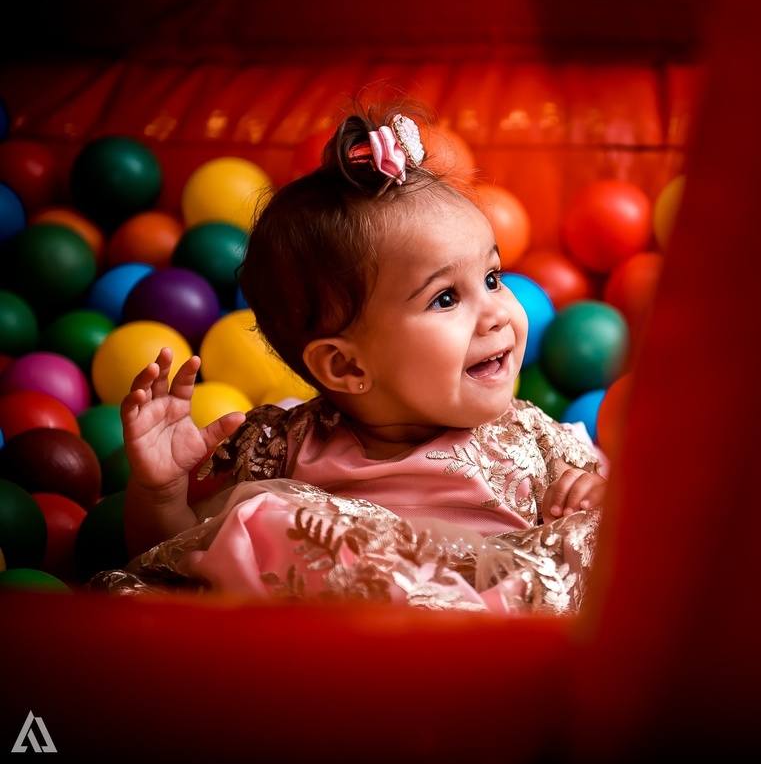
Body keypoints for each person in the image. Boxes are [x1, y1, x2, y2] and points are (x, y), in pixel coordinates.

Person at [100, 100, 607, 614]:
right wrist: (161, 490)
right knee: (271, 525)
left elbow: (602, 528)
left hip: (485, 640)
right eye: (446, 298)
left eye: (492, 278)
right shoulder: (282, 448)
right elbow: (171, 561)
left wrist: (591, 496)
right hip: (349, 650)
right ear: (346, 367)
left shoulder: (530, 436)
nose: (497, 313)